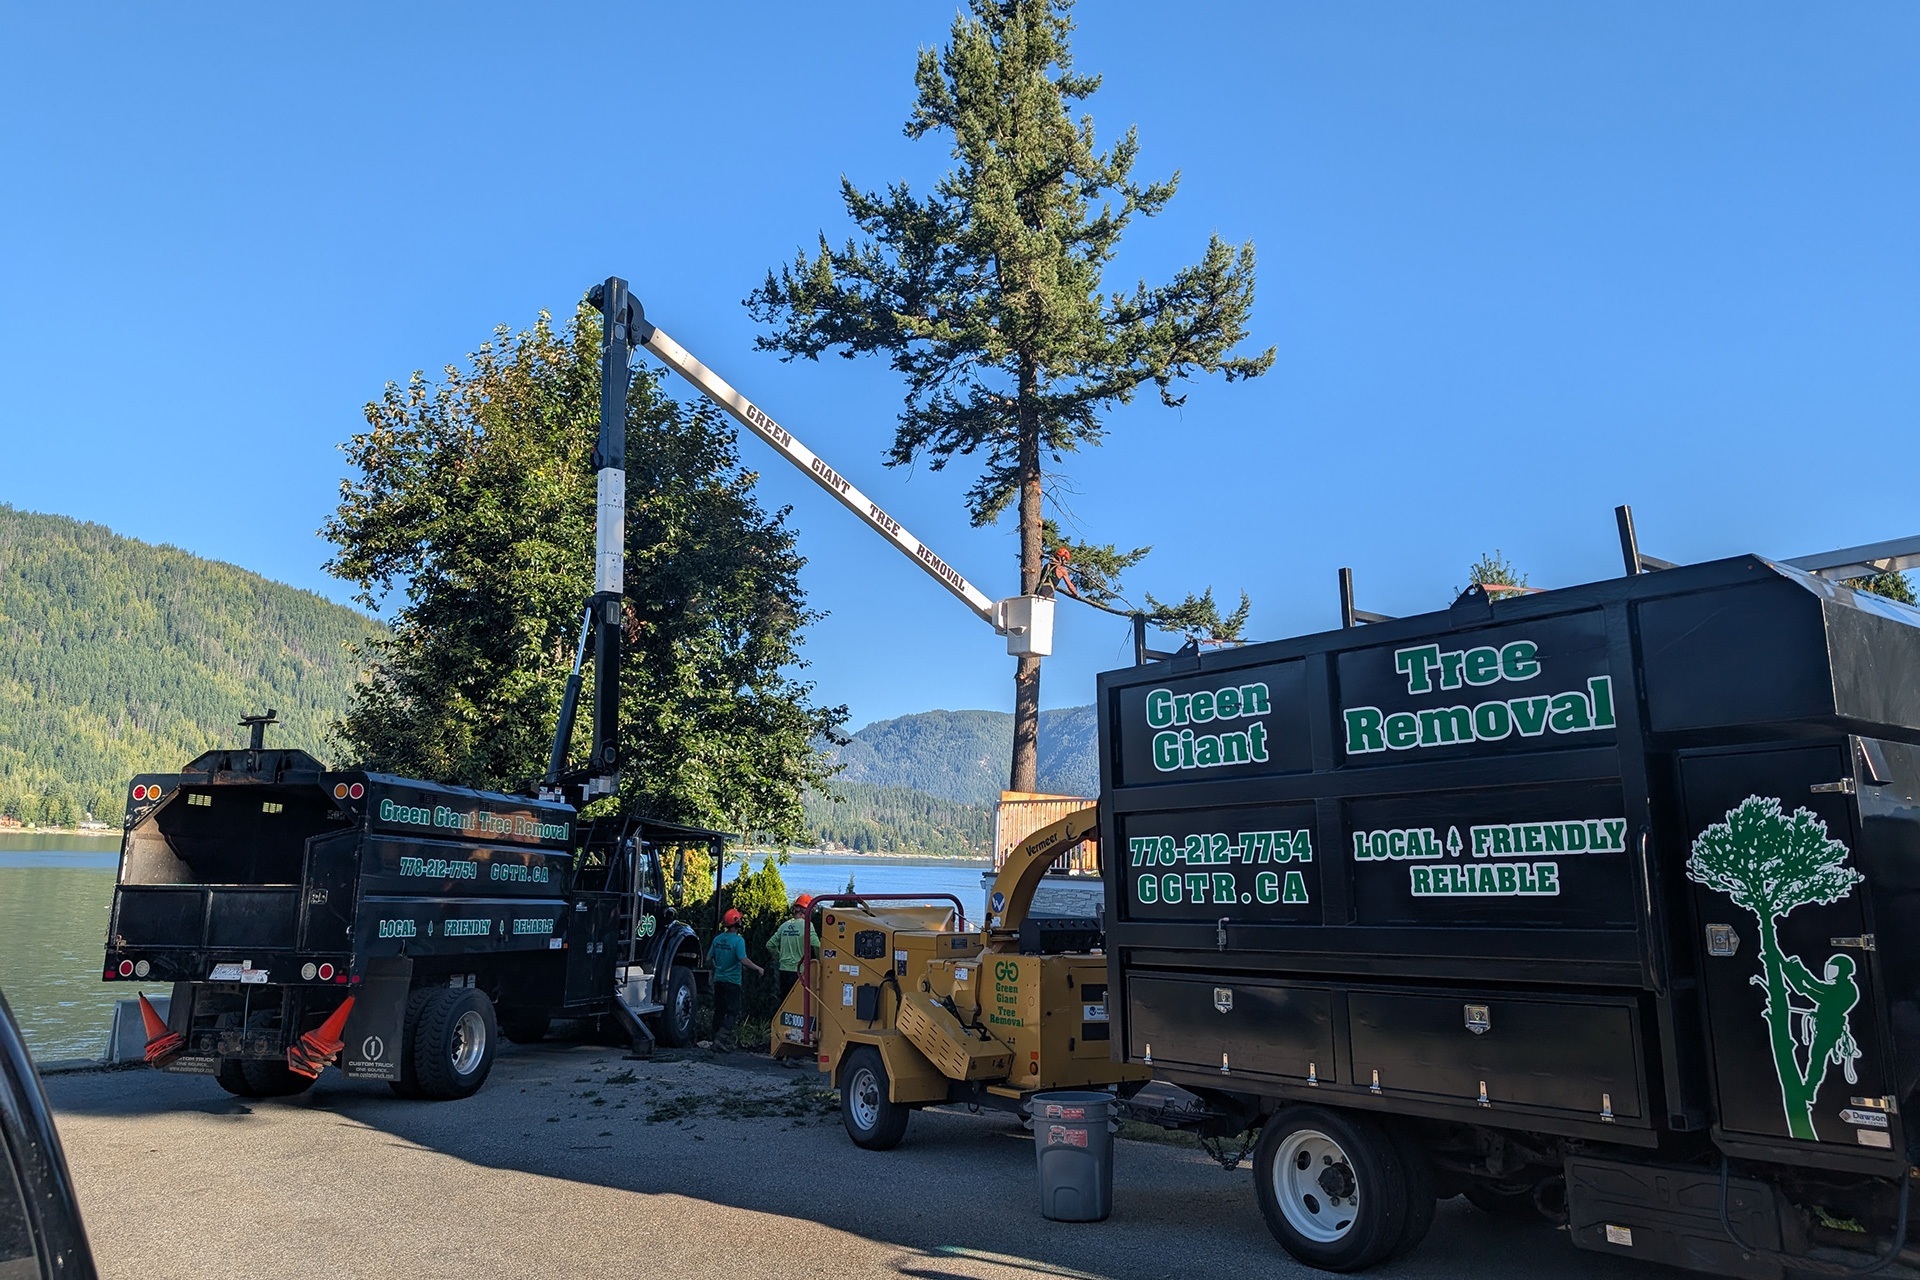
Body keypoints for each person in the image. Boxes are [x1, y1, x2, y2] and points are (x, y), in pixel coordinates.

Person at [705, 908, 762, 1052]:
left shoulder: (718, 939)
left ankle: (715, 1039)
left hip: (719, 979)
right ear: (737, 923)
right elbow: (743, 960)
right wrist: (758, 968)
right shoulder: (738, 940)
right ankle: (721, 1038)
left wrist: (718, 967)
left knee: (719, 1010)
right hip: (732, 982)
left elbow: (708, 958)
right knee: (732, 1011)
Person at [765, 894, 822, 1003]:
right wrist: (820, 962)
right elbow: (817, 945)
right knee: (798, 1005)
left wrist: (779, 956)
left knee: (785, 1004)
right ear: (807, 911)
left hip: (783, 971)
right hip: (799, 972)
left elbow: (770, 944)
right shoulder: (807, 925)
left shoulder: (785, 925)